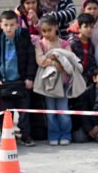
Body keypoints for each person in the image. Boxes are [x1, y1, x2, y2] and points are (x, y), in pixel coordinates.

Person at [0, 10, 37, 147]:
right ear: (1, 25)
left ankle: (26, 135)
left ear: (17, 25)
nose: (9, 28)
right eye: (6, 25)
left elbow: (30, 59)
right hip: (5, 84)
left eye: (12, 25)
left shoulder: (24, 38)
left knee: (23, 112)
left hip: (21, 82)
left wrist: (29, 77)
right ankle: (8, 137)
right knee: (6, 114)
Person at [33, 14, 83, 146]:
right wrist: (55, 62)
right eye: (44, 31)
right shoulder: (40, 44)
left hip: (63, 83)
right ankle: (53, 135)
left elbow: (68, 61)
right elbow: (41, 61)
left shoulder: (64, 43)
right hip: (48, 85)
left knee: (63, 111)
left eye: (49, 30)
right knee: (50, 113)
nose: (47, 33)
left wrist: (57, 59)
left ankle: (66, 134)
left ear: (56, 27)